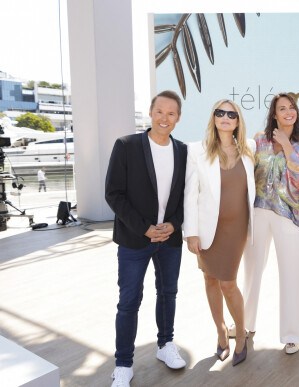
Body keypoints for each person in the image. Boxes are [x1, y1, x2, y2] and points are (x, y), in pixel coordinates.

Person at [105, 90, 188, 386]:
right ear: (150, 113)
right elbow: (114, 193)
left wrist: (172, 224)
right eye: (160, 111)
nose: (164, 118)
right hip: (134, 239)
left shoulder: (183, 151)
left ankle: (165, 345)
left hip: (169, 240)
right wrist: (144, 227)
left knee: (168, 294)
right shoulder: (126, 146)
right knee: (129, 300)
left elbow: (185, 198)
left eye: (171, 113)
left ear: (178, 118)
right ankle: (123, 364)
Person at [241, 93, 299, 354]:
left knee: (292, 273)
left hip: (290, 214)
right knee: (252, 269)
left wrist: (287, 145)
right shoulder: (259, 140)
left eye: (292, 107)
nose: (288, 112)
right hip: (259, 211)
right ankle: (244, 324)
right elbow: (246, 175)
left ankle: (292, 334)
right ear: (274, 114)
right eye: (282, 108)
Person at [183, 100, 255, 367]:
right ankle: (221, 331)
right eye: (220, 113)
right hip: (206, 229)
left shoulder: (249, 151)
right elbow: (189, 195)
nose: (225, 117)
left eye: (231, 114)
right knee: (210, 281)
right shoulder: (197, 151)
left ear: (238, 121)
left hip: (235, 230)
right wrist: (191, 233)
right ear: (213, 118)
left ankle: (241, 336)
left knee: (228, 283)